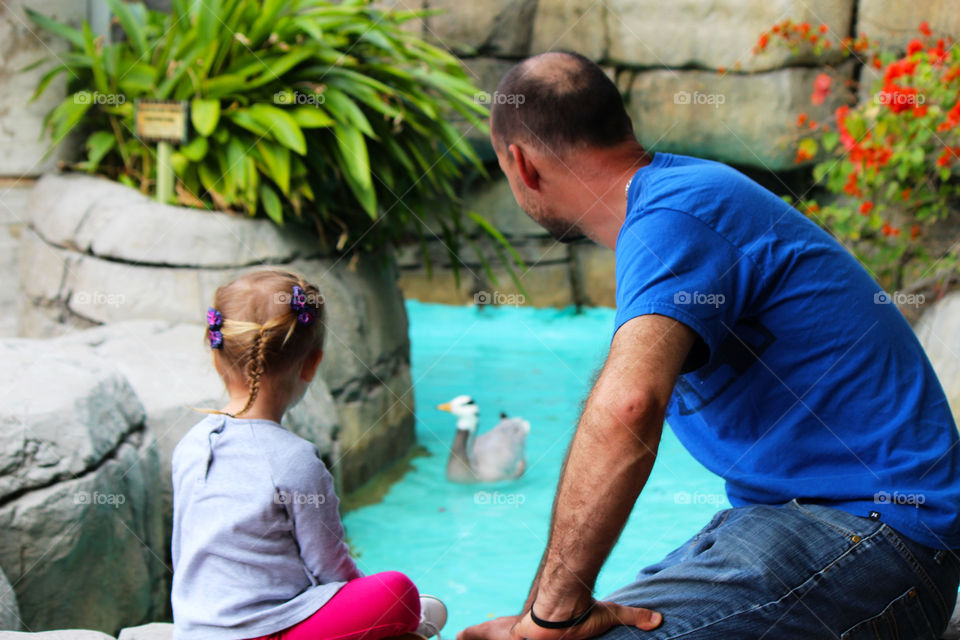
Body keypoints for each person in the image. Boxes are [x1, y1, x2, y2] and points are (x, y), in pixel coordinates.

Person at [460, 51, 960, 640]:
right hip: (795, 526)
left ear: (519, 163)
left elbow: (627, 407)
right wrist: (535, 623)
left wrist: (550, 615)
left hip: (879, 534)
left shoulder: (674, 215)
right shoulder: (675, 206)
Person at [171, 269, 446, 640]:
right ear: (312, 365)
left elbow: (183, 549)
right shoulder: (295, 460)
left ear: (217, 357)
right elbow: (330, 567)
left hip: (194, 630)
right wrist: (365, 606)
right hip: (268, 633)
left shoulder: (191, 443)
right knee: (398, 592)